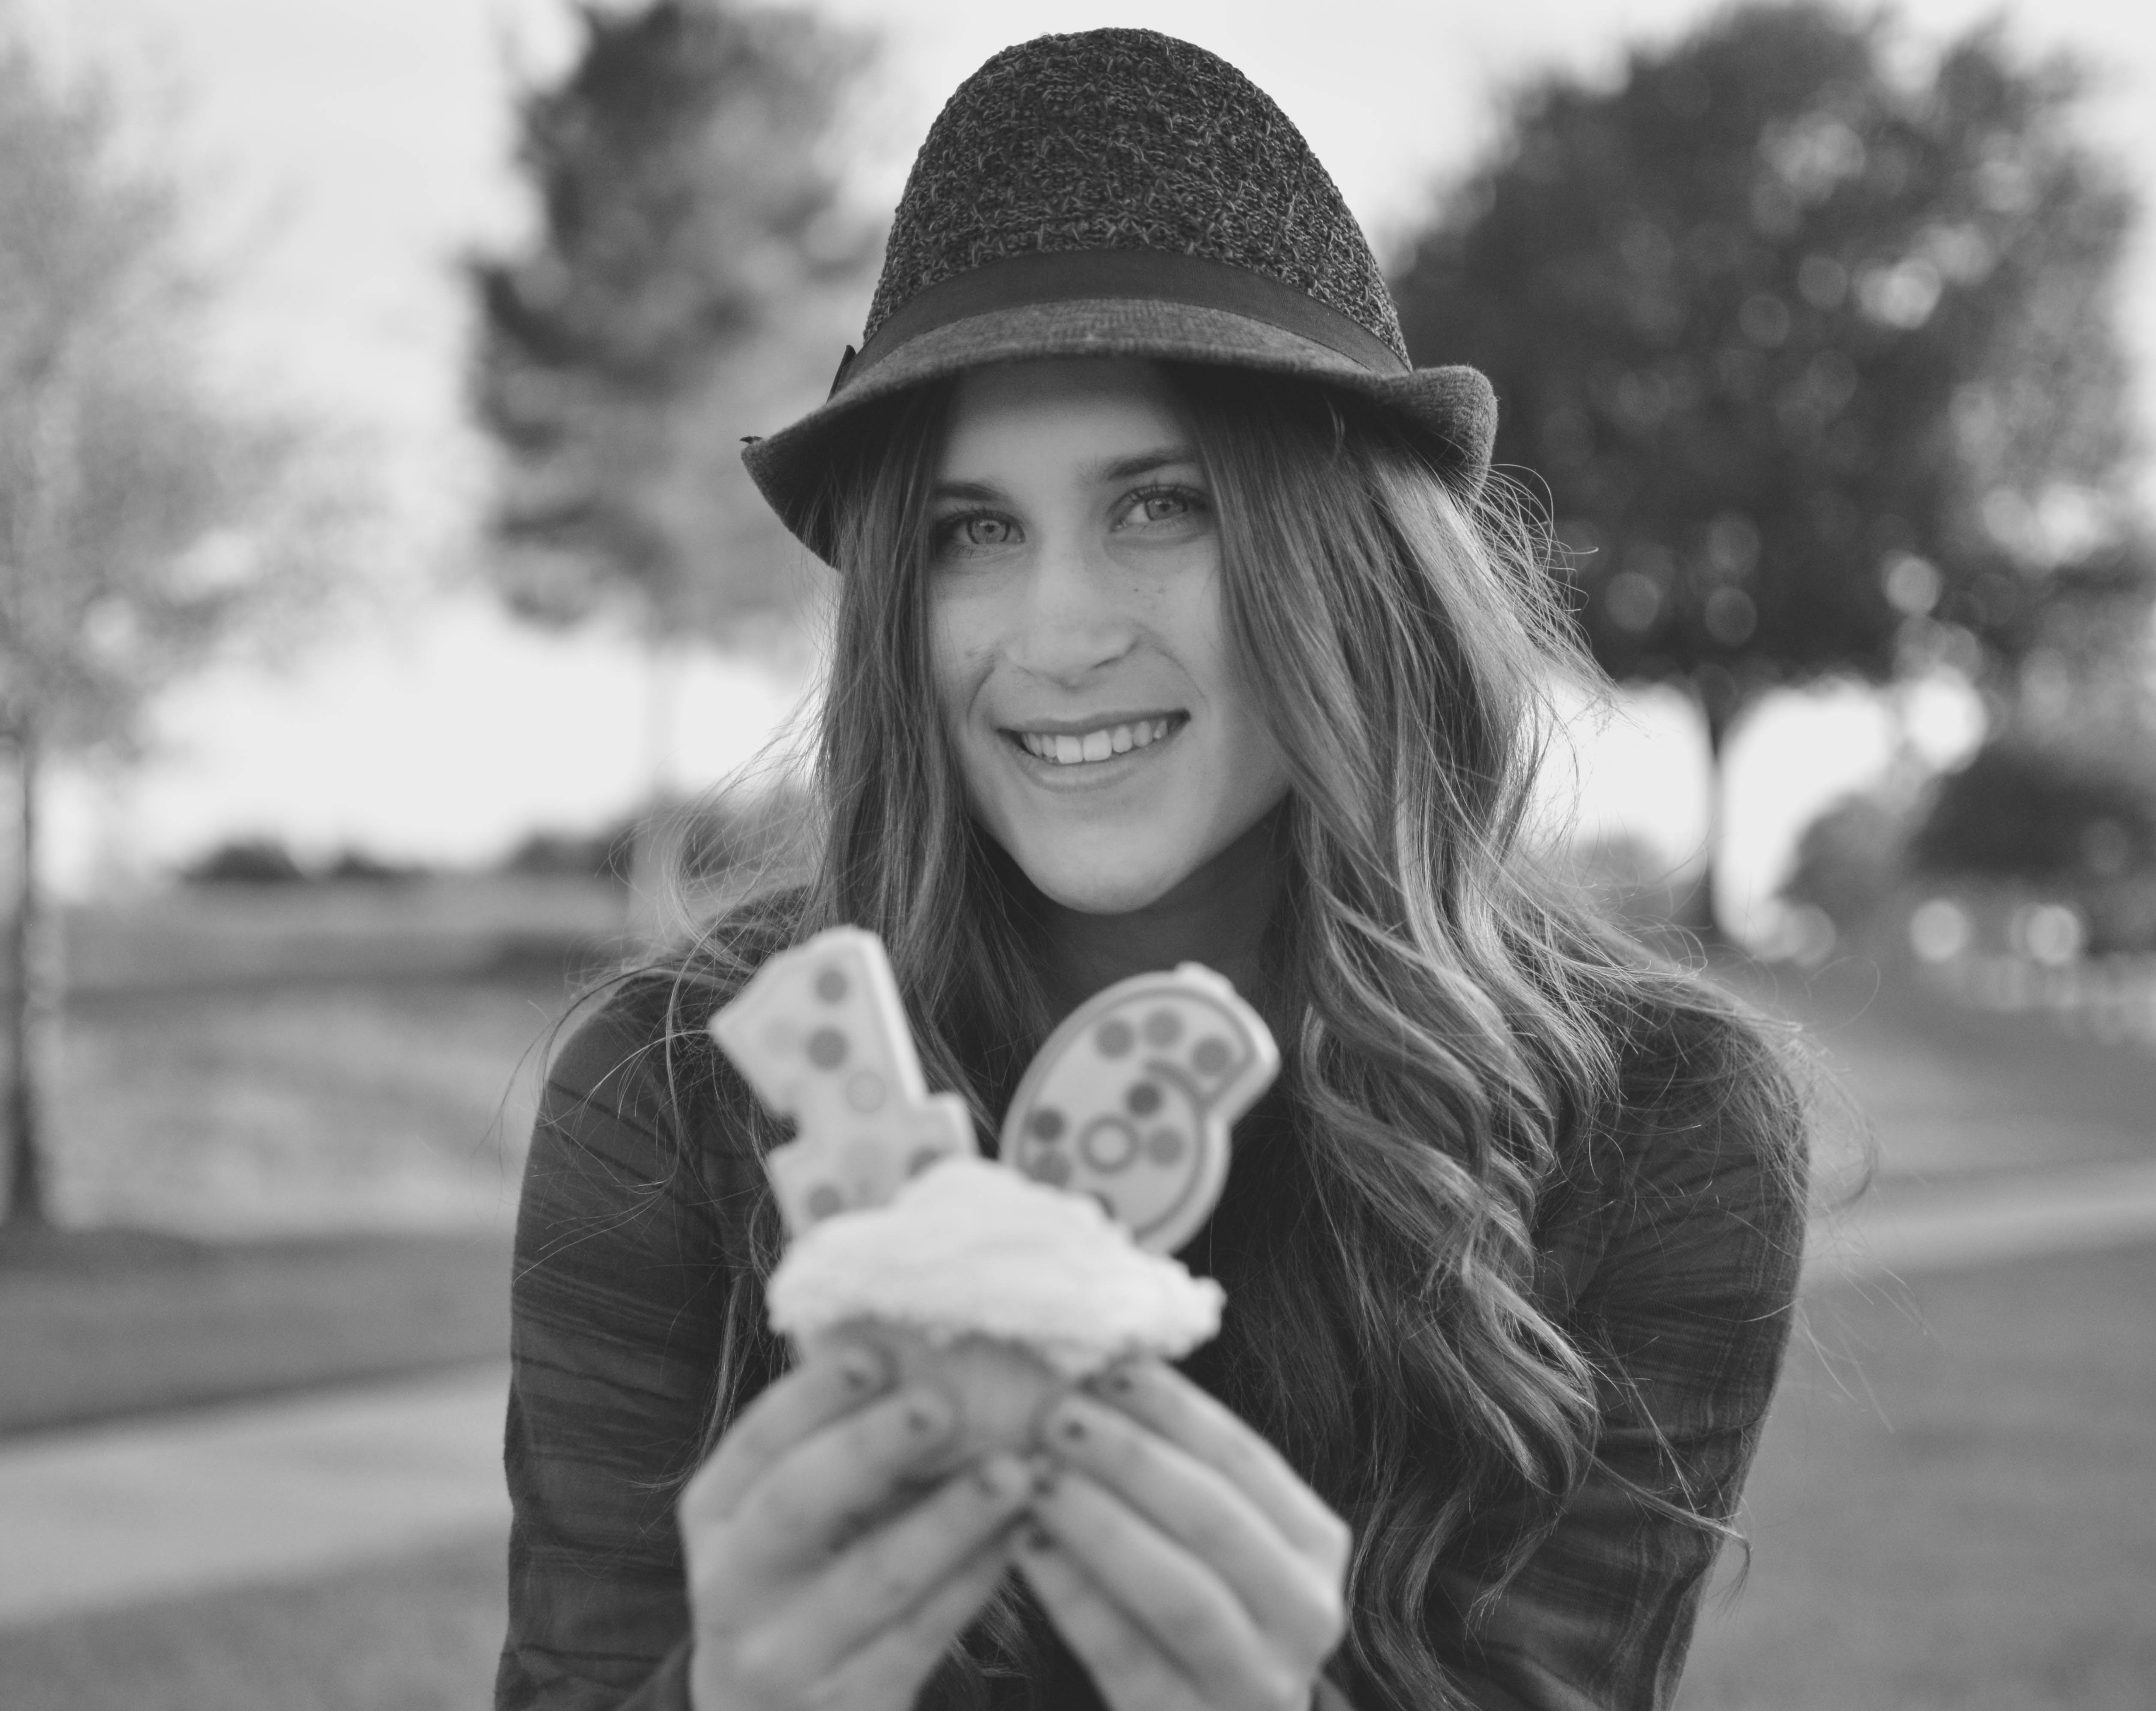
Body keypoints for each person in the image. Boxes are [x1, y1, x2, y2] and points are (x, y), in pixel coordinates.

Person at [499, 28, 1808, 1711]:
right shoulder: (681, 1095)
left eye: (1160, 505)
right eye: (974, 531)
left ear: (1349, 559)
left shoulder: (1654, 1132)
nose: (1057, 635)